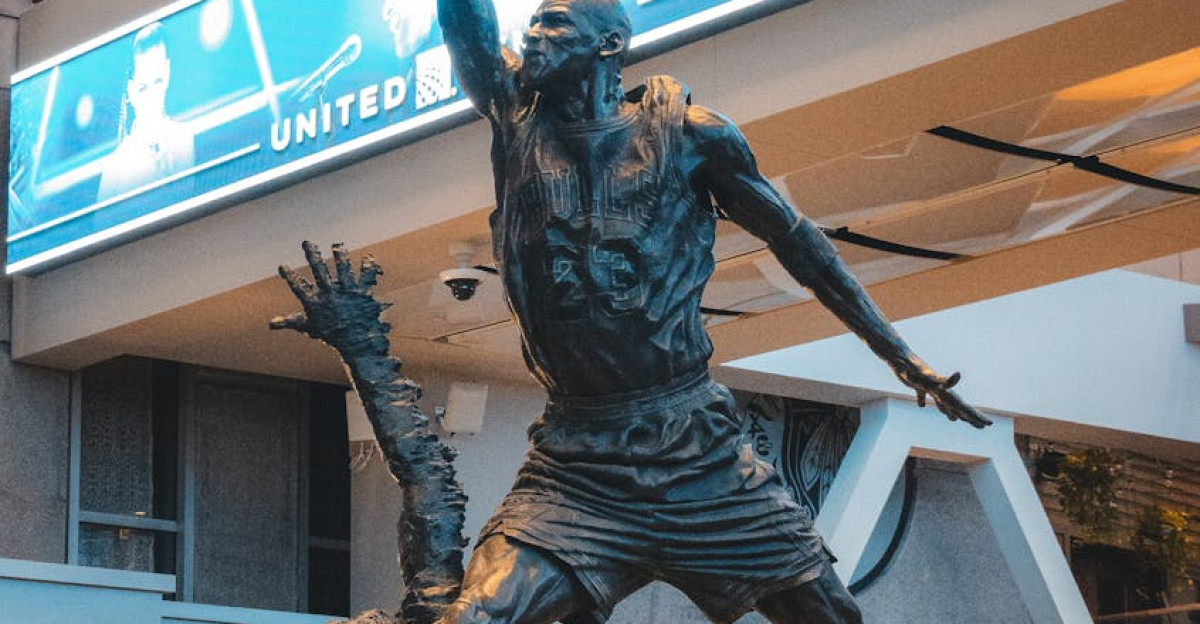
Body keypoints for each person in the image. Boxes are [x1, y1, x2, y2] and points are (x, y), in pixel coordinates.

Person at [97, 22, 195, 202]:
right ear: (131, 90)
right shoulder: (114, 169)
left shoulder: (186, 138)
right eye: (143, 88)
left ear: (167, 74)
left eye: (157, 81)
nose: (152, 97)